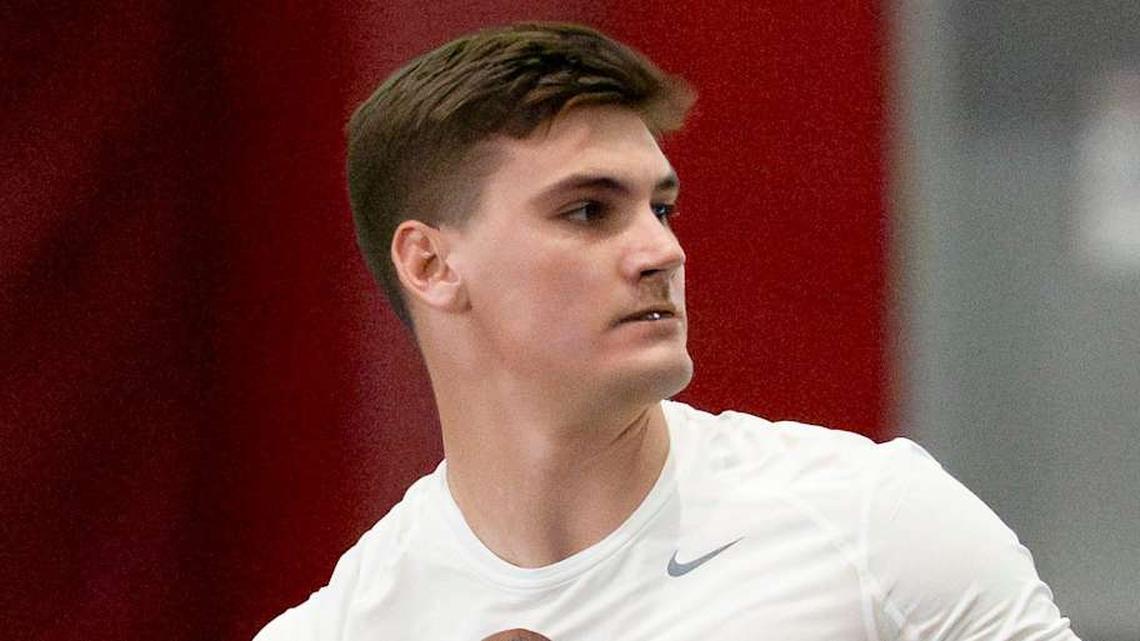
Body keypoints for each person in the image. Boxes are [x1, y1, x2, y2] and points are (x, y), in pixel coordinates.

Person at [255, 22, 1079, 640]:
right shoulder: (341, 628)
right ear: (433, 264)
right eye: (587, 211)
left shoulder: (877, 525)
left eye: (661, 206)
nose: (661, 248)